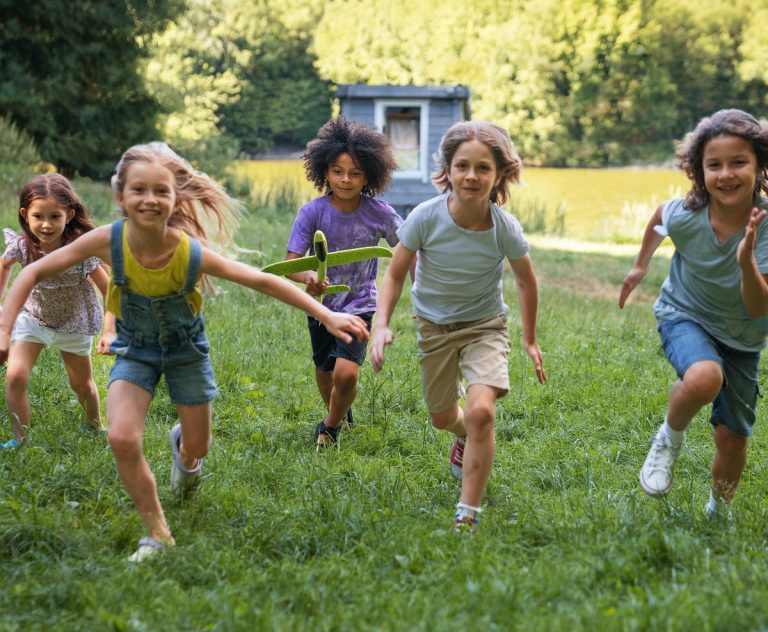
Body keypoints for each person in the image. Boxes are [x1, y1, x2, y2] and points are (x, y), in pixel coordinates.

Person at [0, 142, 369, 562]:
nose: (150, 199)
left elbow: (260, 280)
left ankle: (184, 450)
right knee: (121, 437)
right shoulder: (107, 240)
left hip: (185, 351)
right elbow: (31, 272)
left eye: (161, 191)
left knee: (199, 446)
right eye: (139, 190)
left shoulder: (186, 250)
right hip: (136, 349)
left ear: (175, 199)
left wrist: (327, 314)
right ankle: (157, 533)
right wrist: (5, 329)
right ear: (121, 196)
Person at [370, 121, 547, 535]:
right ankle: (464, 437)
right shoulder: (425, 217)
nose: (471, 176)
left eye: (483, 168)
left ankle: (467, 514)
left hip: (485, 327)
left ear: (499, 175)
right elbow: (393, 274)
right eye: (463, 166)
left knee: (482, 412)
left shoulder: (504, 228)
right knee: (442, 416)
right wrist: (381, 325)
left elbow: (526, 281)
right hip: (434, 328)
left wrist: (530, 339)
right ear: (447, 170)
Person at [619, 109, 768, 519]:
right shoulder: (687, 213)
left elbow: (759, 306)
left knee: (733, 440)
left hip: (743, 336)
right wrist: (640, 265)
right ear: (699, 171)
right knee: (704, 376)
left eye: (739, 162)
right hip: (684, 314)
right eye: (714, 164)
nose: (726, 174)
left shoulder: (765, 225)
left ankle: (718, 511)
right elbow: (659, 217)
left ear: (759, 165)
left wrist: (746, 263)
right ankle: (668, 438)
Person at [283, 117, 401, 448]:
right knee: (325, 372)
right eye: (338, 171)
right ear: (325, 171)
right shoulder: (311, 212)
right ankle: (338, 414)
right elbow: (291, 266)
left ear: (370, 176)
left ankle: (330, 427)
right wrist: (308, 277)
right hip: (321, 307)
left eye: (355, 173)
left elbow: (407, 247)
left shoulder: (381, 213)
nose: (346, 179)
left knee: (345, 374)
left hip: (360, 305)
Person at [0, 174, 110, 448]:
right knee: (15, 376)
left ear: (69, 215)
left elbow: (108, 288)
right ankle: (20, 439)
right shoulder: (23, 246)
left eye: (54, 217)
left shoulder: (80, 250)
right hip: (34, 318)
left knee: (82, 386)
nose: (46, 225)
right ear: (25, 215)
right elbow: (4, 265)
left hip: (74, 323)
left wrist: (112, 327)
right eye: (38, 216)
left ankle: (94, 427)